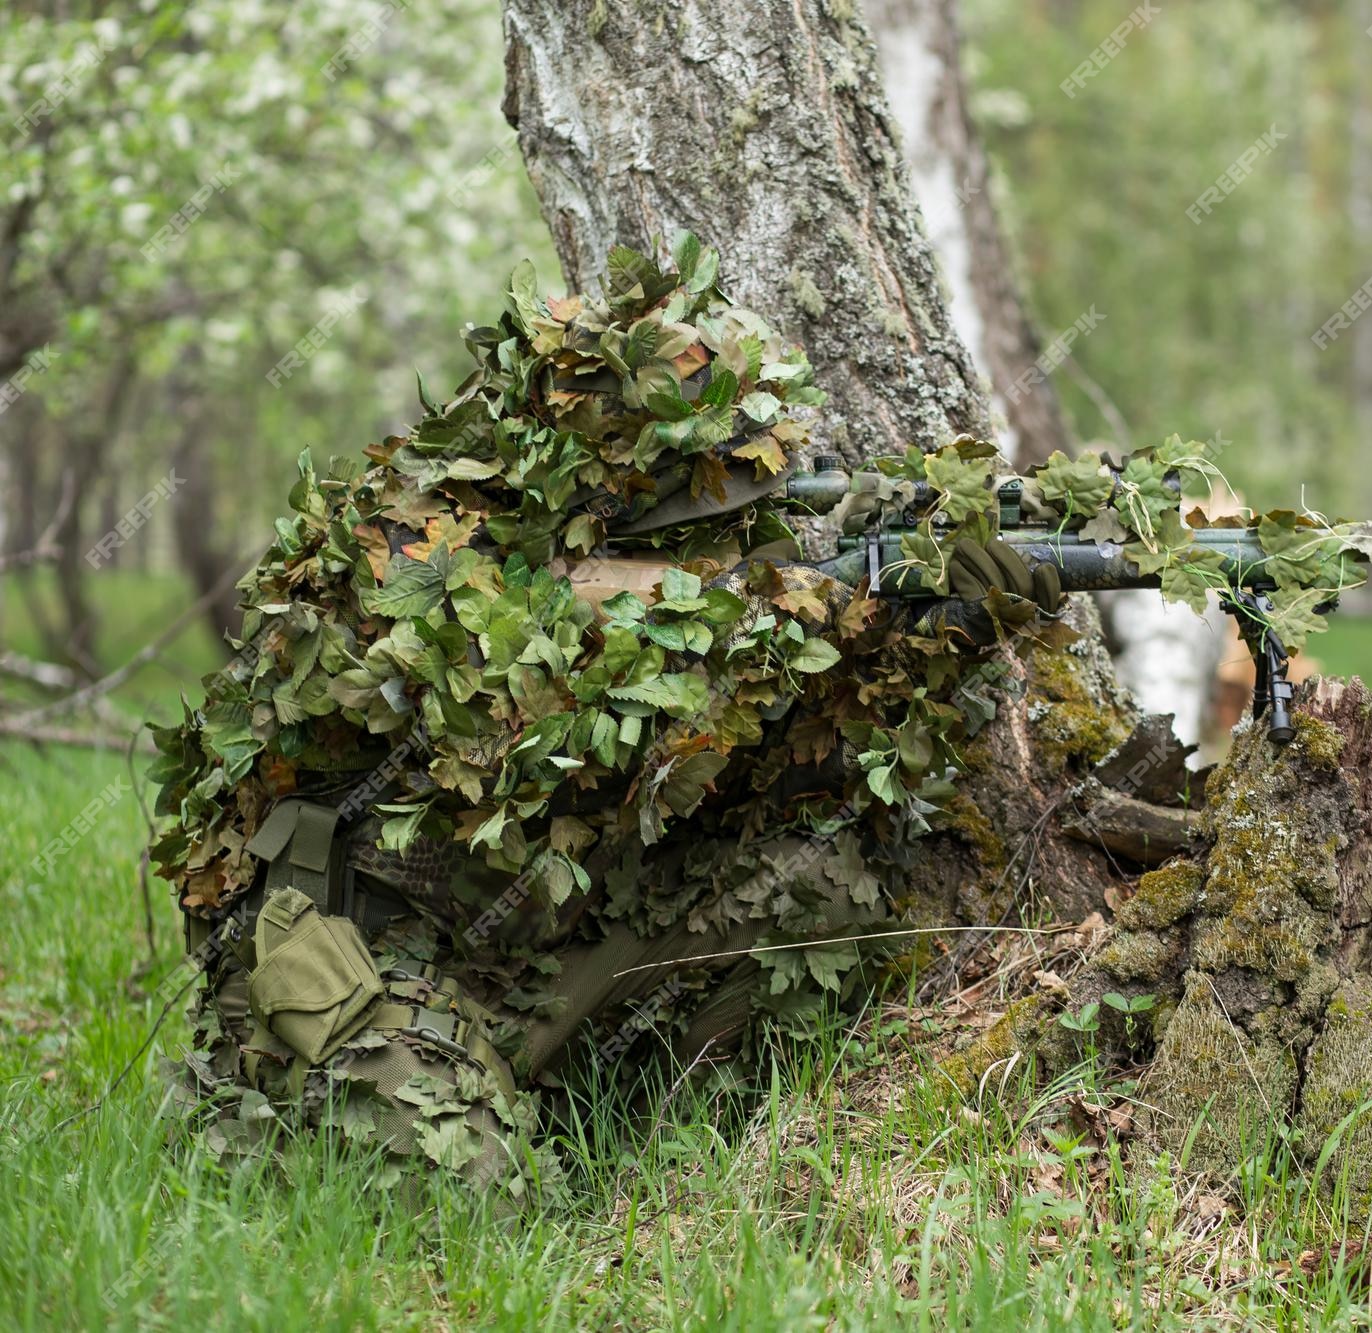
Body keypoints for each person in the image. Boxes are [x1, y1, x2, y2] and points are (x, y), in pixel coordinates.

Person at [150, 240, 1064, 1188]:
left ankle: (646, 1150)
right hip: (346, 949)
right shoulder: (403, 537)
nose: (731, 525)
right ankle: (328, 1109)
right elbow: (505, 673)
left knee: (823, 887)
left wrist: (928, 622)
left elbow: (743, 744)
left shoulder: (661, 582)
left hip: (516, 940)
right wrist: (779, 608)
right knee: (466, 1192)